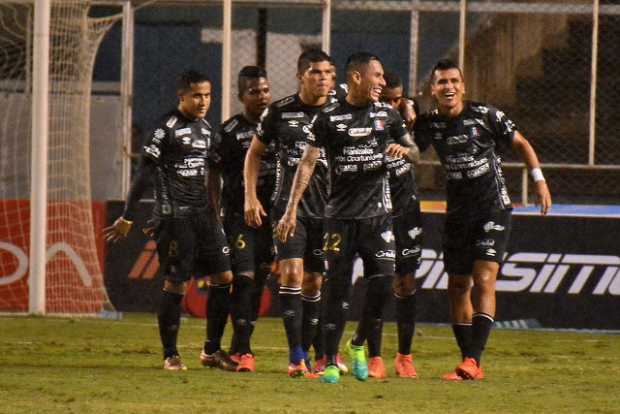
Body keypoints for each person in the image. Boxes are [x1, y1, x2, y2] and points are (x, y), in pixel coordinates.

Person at [276, 52, 417, 384]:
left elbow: (414, 150)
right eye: (378, 76)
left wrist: (403, 151)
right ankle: (327, 361)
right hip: (339, 218)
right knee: (336, 290)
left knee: (383, 283)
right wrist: (291, 208)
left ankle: (357, 343)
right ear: (357, 77)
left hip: (378, 218)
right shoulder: (328, 117)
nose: (383, 82)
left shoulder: (387, 114)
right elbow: (308, 163)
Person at [413, 59, 552, 380]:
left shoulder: (485, 115)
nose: (448, 87)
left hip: (493, 207)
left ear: (463, 86)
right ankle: (469, 361)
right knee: (458, 286)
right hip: (458, 212)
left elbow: (522, 144)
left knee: (485, 279)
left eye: (453, 81)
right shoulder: (428, 124)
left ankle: (473, 361)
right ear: (432, 89)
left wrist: (539, 180)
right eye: (441, 82)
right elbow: (411, 151)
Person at [104, 70, 237, 372]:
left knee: (224, 278)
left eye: (208, 95)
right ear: (182, 97)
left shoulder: (206, 129)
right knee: (177, 283)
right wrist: (127, 216)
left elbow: (216, 169)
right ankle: (170, 354)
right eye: (197, 96)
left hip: (204, 216)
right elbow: (143, 175)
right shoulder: (165, 129)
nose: (204, 101)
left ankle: (212, 351)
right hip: (175, 217)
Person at [244, 49, 332, 378]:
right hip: (287, 209)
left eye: (328, 72)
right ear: (301, 76)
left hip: (328, 210)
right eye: (316, 72)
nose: (323, 78)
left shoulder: (341, 110)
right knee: (292, 273)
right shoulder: (278, 113)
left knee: (314, 280)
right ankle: (295, 355)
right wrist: (250, 197)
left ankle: (310, 351)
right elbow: (254, 155)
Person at [210, 66, 274, 372]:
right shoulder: (228, 131)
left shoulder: (278, 124)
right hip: (239, 216)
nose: (261, 96)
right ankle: (245, 351)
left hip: (272, 216)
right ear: (240, 96)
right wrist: (213, 213)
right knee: (244, 279)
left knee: (260, 278)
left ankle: (239, 343)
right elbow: (213, 173)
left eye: (264, 90)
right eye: (253, 92)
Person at [362, 71, 423, 379]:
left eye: (396, 100)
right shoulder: (362, 121)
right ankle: (374, 357)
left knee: (406, 282)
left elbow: (418, 154)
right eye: (386, 100)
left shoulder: (409, 121)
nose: (392, 105)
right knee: (380, 284)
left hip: (407, 211)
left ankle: (404, 356)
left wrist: (412, 119)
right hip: (376, 213)